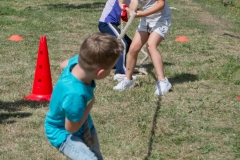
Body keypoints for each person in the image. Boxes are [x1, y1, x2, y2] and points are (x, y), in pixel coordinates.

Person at [44, 32, 123, 160]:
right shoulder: (76, 95)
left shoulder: (77, 62)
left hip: (82, 123)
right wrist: (89, 105)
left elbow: (63, 64)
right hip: (62, 133)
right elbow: (71, 128)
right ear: (100, 72)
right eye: (111, 69)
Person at [113, 0, 172, 96]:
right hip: (146, 20)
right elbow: (134, 2)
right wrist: (132, 10)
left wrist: (144, 13)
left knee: (151, 46)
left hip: (161, 20)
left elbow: (161, 4)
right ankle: (128, 80)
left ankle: (163, 81)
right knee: (133, 49)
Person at [98, 0, 136, 82]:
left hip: (113, 24)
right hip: (106, 23)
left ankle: (116, 65)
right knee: (122, 44)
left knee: (129, 43)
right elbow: (121, 3)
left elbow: (133, 6)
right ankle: (120, 73)